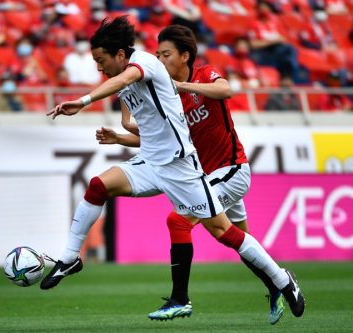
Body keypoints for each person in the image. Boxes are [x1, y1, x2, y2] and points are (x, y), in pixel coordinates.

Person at [41, 16, 305, 321]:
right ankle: (69, 258)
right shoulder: (133, 77)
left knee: (218, 231)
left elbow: (128, 79)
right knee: (99, 185)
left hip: (190, 167)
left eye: (102, 61)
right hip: (153, 162)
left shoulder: (145, 64)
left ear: (121, 55)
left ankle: (280, 282)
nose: (100, 69)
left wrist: (83, 100)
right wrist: (121, 134)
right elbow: (138, 120)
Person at [95, 24, 285, 324]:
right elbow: (157, 138)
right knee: (242, 240)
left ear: (185, 56)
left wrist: (183, 87)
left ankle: (180, 298)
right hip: (203, 177)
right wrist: (122, 136)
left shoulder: (203, 76)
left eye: (166, 54)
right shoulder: (166, 96)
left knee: (178, 219)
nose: (159, 59)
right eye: (156, 54)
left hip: (231, 170)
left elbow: (226, 90)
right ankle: (277, 285)